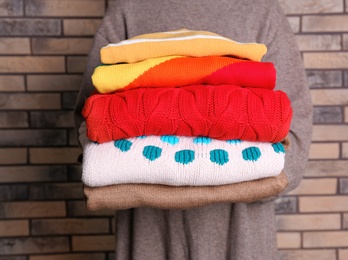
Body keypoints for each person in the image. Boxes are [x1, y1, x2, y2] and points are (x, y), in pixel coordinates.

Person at [74, 0, 312, 259]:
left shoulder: (260, 11)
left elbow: (294, 134)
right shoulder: (128, 10)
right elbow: (92, 124)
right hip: (149, 238)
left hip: (242, 239)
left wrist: (152, 174)